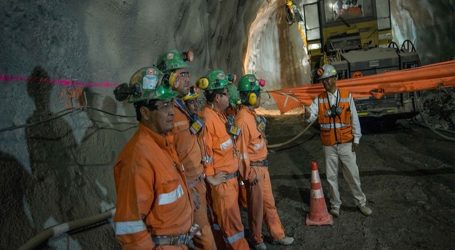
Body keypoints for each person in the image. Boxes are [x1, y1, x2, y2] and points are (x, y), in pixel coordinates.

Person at [112, 66, 196, 249]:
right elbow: (129, 226)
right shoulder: (138, 157)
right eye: (164, 105)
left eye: (171, 103)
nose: (172, 111)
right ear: (145, 112)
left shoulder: (164, 144)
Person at [157, 49, 217, 250]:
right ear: (168, 78)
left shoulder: (181, 107)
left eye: (187, 74)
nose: (187, 79)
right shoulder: (167, 114)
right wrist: (186, 189)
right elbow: (167, 158)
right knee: (203, 234)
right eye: (181, 74)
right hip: (187, 185)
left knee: (201, 231)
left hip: (197, 180)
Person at [304, 64, 373, 217]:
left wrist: (357, 138)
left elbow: (354, 117)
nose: (325, 83)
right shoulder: (319, 100)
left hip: (346, 143)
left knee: (353, 175)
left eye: (328, 79)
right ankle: (335, 205)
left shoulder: (346, 96)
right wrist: (307, 113)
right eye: (323, 81)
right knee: (331, 177)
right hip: (329, 145)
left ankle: (361, 202)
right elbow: (311, 116)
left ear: (335, 78)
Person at [235, 74, 294, 250]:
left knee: (269, 203)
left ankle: (278, 235)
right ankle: (257, 239)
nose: (259, 97)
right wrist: (247, 174)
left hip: (262, 168)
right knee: (256, 207)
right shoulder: (242, 120)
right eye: (257, 94)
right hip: (254, 170)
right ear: (251, 96)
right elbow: (240, 151)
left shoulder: (251, 115)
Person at [199, 69, 250, 250]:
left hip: (230, 180)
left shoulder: (219, 116)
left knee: (229, 224)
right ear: (216, 98)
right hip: (223, 184)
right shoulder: (207, 118)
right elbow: (204, 151)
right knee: (233, 227)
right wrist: (210, 176)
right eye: (225, 94)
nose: (229, 97)